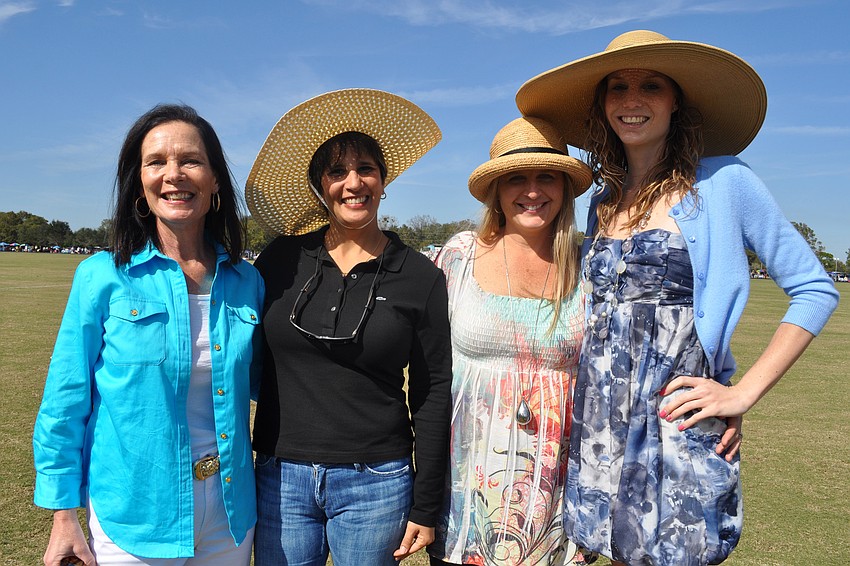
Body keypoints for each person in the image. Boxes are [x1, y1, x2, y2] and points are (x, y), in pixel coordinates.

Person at [516, 30, 840, 565]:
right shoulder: (600, 200)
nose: (632, 99)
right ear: (602, 105)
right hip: (601, 423)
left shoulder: (725, 182)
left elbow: (813, 289)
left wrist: (741, 394)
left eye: (651, 85)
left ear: (676, 103)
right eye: (617, 86)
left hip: (676, 425)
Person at [32, 104, 264, 565]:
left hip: (230, 518)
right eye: (156, 162)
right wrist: (63, 515)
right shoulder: (102, 277)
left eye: (191, 161)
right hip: (133, 518)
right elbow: (65, 399)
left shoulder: (247, 281)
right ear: (139, 182)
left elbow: (269, 385)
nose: (174, 175)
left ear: (215, 179)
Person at [244, 88, 453, 566]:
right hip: (281, 474)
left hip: (376, 480)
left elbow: (432, 391)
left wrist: (426, 502)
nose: (353, 183)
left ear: (384, 181)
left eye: (366, 170)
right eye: (337, 172)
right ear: (320, 186)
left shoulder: (420, 276)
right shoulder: (281, 259)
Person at [428, 117, 595, 565]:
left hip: (555, 495)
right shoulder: (460, 256)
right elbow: (424, 372)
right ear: (497, 191)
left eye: (546, 177)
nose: (533, 190)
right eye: (517, 178)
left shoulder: (590, 266)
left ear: (564, 187)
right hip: (465, 494)